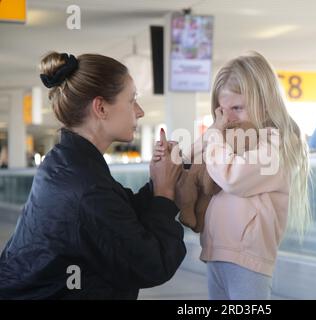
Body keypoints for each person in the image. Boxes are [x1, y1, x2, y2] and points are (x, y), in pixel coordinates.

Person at [0, 52, 186, 299]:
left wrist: (157, 179)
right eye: (132, 101)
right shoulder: (85, 185)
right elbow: (153, 264)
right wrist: (164, 194)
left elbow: (119, 216)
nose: (139, 112)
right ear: (100, 108)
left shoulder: (65, 161)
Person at [154, 52, 311, 299]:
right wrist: (171, 157)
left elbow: (232, 177)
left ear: (264, 101)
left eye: (237, 108)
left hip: (248, 256)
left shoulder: (277, 144)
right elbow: (190, 162)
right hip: (217, 249)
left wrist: (215, 134)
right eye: (221, 111)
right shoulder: (226, 138)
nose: (227, 119)